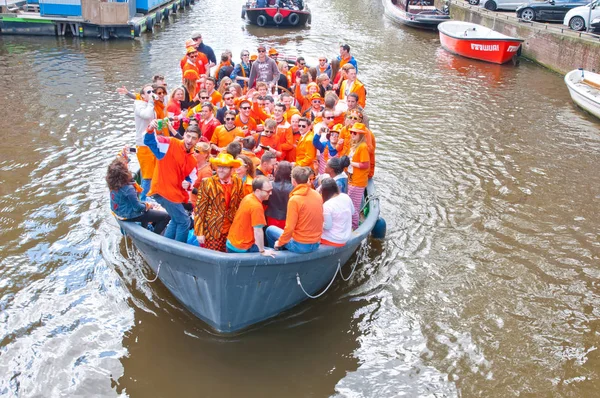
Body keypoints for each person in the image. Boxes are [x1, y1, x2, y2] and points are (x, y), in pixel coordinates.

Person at [145, 124, 200, 242]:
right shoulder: (170, 143)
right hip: (162, 190)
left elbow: (192, 180)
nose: (190, 140)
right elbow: (150, 141)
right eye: (188, 136)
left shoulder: (193, 160)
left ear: (198, 140)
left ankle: (166, 245)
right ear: (184, 135)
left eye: (194, 138)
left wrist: (189, 184)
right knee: (184, 221)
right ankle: (178, 250)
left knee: (177, 219)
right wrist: (150, 129)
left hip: (174, 194)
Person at [194, 153, 245, 252]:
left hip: (231, 229)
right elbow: (200, 209)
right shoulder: (207, 183)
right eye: (219, 167)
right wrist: (199, 232)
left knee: (228, 256)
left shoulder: (238, 182)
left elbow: (240, 205)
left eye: (225, 168)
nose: (221, 170)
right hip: (213, 228)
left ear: (232, 170)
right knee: (212, 257)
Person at [265, 166, 323, 253]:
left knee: (270, 230)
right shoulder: (317, 194)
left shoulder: (294, 200)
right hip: (316, 243)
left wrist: (279, 243)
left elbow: (289, 228)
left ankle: (275, 254)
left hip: (301, 245)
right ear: (307, 179)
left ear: (293, 180)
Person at [107, 157, 170, 235]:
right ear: (124, 173)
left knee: (147, 210)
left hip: (119, 213)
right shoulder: (128, 189)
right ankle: (153, 235)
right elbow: (138, 208)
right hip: (129, 215)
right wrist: (148, 205)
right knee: (166, 216)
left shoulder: (113, 185)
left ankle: (145, 228)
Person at [226, 176, 276, 255]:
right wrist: (262, 251)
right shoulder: (256, 206)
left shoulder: (247, 197)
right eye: (268, 191)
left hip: (231, 242)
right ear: (258, 191)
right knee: (273, 253)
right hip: (242, 247)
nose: (271, 193)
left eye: (271, 190)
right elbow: (258, 231)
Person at [134, 83, 157, 201]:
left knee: (154, 172)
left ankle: (152, 195)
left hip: (152, 142)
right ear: (142, 96)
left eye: (152, 91)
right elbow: (146, 115)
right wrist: (151, 102)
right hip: (144, 145)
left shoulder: (149, 105)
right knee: (147, 175)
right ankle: (143, 200)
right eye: (148, 92)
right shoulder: (139, 105)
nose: (151, 93)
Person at [346, 123, 370, 229]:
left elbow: (365, 165)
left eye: (354, 133)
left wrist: (350, 162)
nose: (352, 134)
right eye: (351, 132)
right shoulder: (354, 145)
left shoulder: (363, 147)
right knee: (349, 203)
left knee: (354, 207)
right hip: (351, 178)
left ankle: (354, 227)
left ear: (360, 135)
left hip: (358, 181)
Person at [320, 177, 354, 247]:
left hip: (333, 240)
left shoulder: (327, 205)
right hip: (347, 235)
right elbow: (352, 212)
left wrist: (319, 222)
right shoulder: (346, 197)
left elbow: (327, 226)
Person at [264, 161, 293, 228]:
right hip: (287, 218)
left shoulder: (270, 185)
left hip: (272, 216)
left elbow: (265, 201)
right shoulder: (293, 187)